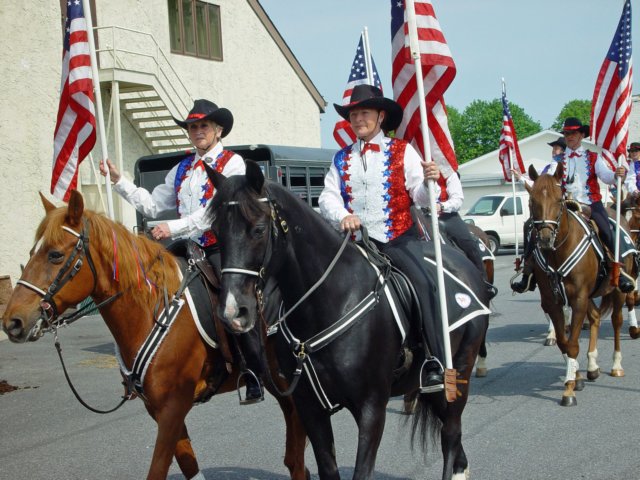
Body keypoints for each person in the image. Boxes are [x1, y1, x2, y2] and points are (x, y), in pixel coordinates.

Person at [100, 99, 264, 404]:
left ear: (218, 130)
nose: (198, 131)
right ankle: (143, 369)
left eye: (203, 126)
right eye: (193, 127)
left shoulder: (233, 164)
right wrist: (119, 180)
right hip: (186, 248)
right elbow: (152, 204)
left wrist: (171, 228)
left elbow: (212, 212)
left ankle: (253, 370)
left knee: (234, 298)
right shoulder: (182, 168)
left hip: (222, 247)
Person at [319, 84, 447, 393]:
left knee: (424, 284)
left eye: (364, 112)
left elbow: (419, 193)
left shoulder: (403, 150)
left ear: (380, 116)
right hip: (353, 245)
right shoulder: (340, 159)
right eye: (353, 114)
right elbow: (327, 197)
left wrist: (431, 183)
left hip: (397, 240)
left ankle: (433, 359)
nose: (358, 119)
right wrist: (342, 216)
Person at [516, 117, 635, 293]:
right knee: (530, 226)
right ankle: (527, 273)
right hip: (563, 205)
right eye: (566, 133)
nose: (569, 136)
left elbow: (607, 177)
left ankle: (620, 270)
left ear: (581, 135)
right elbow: (544, 182)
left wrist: (618, 174)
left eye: (573, 133)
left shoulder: (593, 157)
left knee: (606, 228)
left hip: (590, 203)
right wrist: (522, 179)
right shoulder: (557, 160)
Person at [511, 136, 566, 293]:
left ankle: (611, 264)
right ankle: (528, 270)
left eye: (557, 148)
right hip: (550, 208)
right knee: (530, 225)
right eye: (554, 148)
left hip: (568, 203)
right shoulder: (548, 168)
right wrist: (520, 177)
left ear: (563, 151)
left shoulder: (569, 164)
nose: (554, 151)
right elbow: (536, 187)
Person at [434, 171, 498, 299]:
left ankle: (483, 284)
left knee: (468, 243)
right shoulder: (414, 164)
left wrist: (441, 206)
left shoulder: (448, 171)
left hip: (446, 216)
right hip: (420, 217)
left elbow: (457, 199)